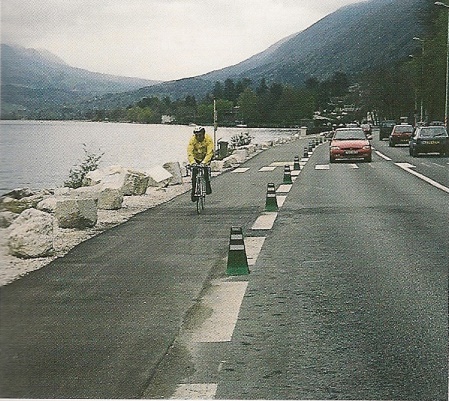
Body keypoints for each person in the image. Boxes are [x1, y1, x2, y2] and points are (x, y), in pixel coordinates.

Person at [187, 126, 214, 201]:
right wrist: (192, 162)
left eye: (200, 135)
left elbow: (210, 152)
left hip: (205, 156)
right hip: (196, 157)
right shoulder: (192, 140)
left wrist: (205, 162)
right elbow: (189, 152)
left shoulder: (208, 139)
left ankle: (207, 185)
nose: (198, 137)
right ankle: (193, 192)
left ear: (203, 134)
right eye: (196, 135)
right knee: (194, 174)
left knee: (205, 170)